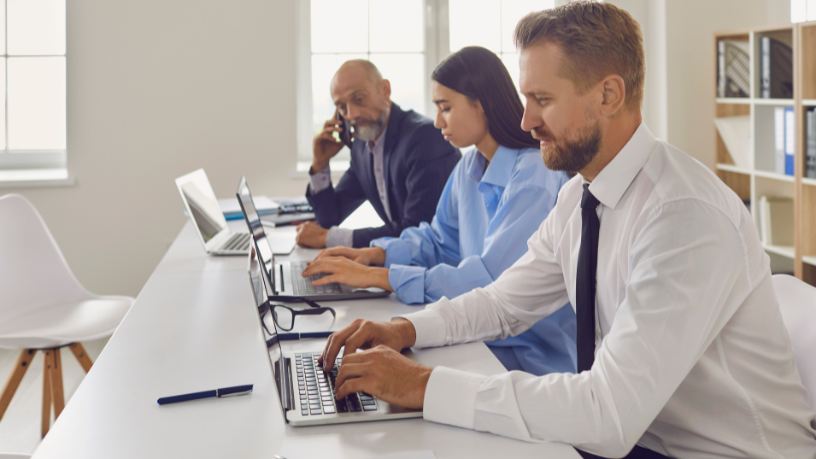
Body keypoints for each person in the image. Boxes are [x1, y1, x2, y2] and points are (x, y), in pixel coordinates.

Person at [316, 2, 816, 458]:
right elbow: (503, 303)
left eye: (542, 99)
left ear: (609, 95)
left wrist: (423, 386)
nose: (525, 120)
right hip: (644, 438)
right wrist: (404, 329)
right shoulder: (580, 195)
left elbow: (609, 414)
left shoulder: (682, 216)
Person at [302, 46, 576, 376]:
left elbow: (492, 282)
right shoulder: (469, 167)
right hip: (475, 336)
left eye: (445, 108)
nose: (436, 121)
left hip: (528, 355)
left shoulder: (535, 175)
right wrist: (375, 254)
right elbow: (438, 240)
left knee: (383, 373)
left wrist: (379, 277)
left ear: (483, 103)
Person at [297, 60, 460, 249]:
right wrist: (320, 163)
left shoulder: (424, 137)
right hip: (403, 259)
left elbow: (417, 229)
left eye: (359, 99)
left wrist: (330, 238)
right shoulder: (362, 146)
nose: (351, 115)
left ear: (385, 90)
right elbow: (330, 218)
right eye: (342, 107)